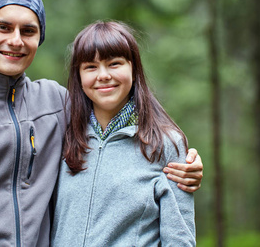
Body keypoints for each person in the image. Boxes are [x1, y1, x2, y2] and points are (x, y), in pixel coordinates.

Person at [0, 0, 202, 246]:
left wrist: (184, 161)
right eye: (3, 27)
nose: (15, 40)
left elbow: (114, 116)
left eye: (28, 31)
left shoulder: (57, 102)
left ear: (38, 40)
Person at [51, 21, 196, 246]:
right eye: (90, 67)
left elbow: (179, 239)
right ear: (79, 76)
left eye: (114, 63)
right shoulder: (62, 136)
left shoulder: (165, 144)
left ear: (134, 69)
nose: (103, 75)